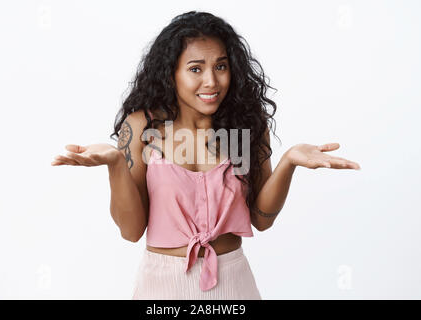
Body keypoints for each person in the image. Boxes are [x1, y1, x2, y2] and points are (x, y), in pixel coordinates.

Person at [51, 11, 361, 300]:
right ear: (170, 73)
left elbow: (261, 220)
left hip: (233, 282)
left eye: (221, 66)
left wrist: (289, 162)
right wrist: (115, 165)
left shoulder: (247, 126)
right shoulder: (142, 127)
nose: (211, 81)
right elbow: (131, 232)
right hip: (162, 285)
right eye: (195, 69)